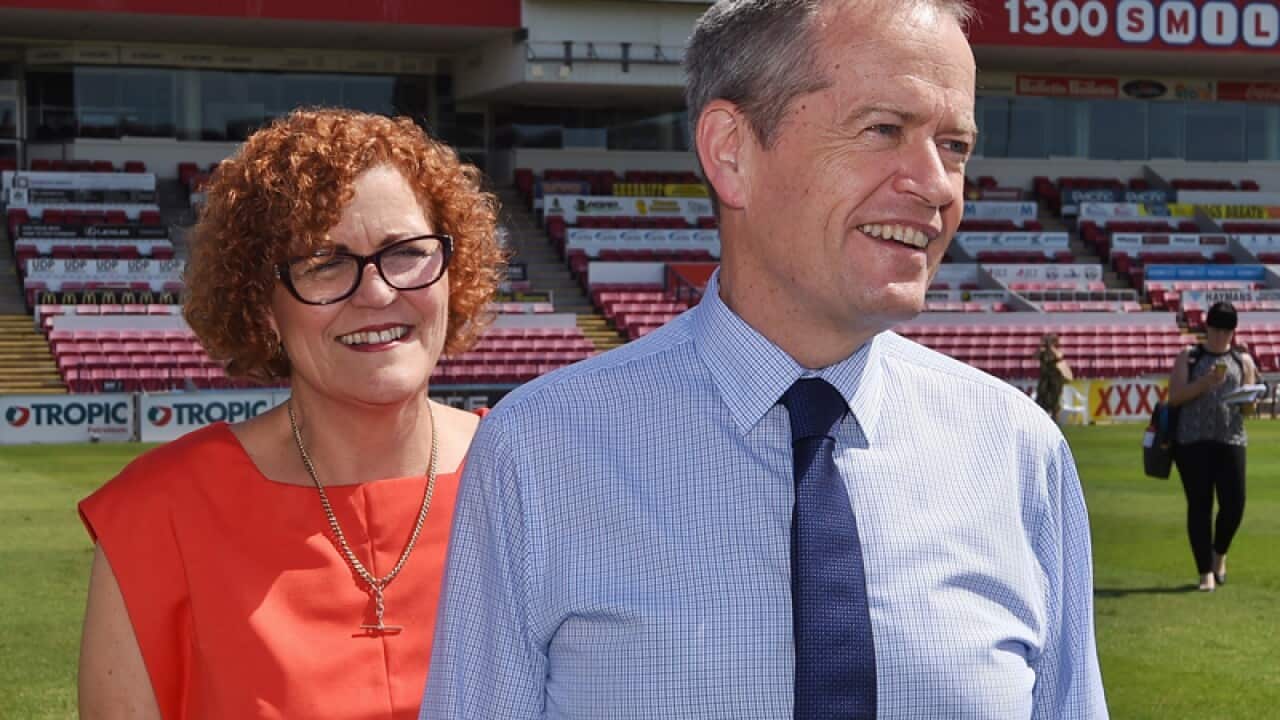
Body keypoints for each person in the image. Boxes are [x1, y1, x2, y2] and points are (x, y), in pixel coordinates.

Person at [423, 0, 1107, 717]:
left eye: (956, 145)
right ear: (731, 153)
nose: (937, 184)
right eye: (884, 129)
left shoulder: (1019, 454)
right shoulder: (540, 453)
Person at [78, 108, 505, 719]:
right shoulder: (158, 516)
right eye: (325, 262)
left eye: (406, 251)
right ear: (264, 307)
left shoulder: (534, 481)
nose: (379, 293)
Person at [1167, 301, 1258, 592]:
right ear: (1207, 328)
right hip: (1192, 441)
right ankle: (1204, 570)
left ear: (1233, 332)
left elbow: (1248, 412)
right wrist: (1206, 382)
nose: (1220, 336)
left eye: (1226, 331)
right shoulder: (1190, 357)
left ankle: (1220, 553)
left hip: (1231, 438)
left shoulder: (1243, 361)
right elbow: (1176, 397)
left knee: (1234, 504)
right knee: (1200, 505)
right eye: (1216, 330)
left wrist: (1249, 400)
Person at [1036, 333, 1074, 419]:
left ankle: (1055, 423)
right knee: (1041, 404)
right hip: (1044, 383)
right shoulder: (1043, 352)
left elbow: (1059, 357)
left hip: (1055, 383)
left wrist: (1050, 347)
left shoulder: (1057, 352)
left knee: (1054, 405)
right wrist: (1042, 346)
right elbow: (1035, 356)